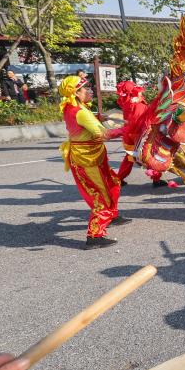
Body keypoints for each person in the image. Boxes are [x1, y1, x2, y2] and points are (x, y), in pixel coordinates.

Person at [58, 75, 127, 248]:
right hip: (86, 159)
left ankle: (112, 215)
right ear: (75, 93)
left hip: (93, 156)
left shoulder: (73, 106)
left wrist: (98, 117)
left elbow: (84, 120)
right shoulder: (80, 111)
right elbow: (104, 134)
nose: (89, 91)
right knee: (100, 195)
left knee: (113, 183)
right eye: (85, 89)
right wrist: (128, 128)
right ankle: (95, 236)